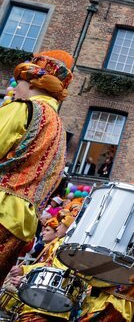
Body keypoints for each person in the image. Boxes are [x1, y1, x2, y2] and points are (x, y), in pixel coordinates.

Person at [0, 50, 72, 284]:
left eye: (19, 82)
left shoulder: (24, 109)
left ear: (31, 84)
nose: (16, 89)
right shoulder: (59, 130)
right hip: (21, 225)